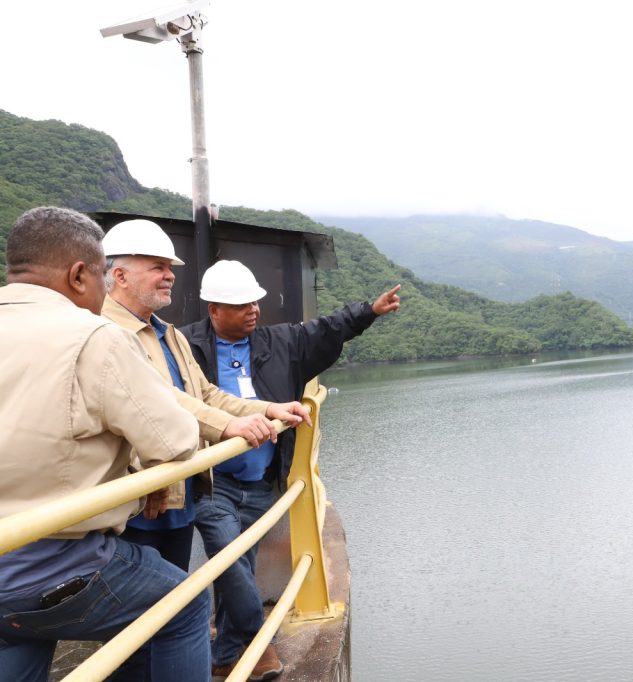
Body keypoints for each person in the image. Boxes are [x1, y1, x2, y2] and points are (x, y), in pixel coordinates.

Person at [0, 207, 211, 681]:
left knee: (18, 633)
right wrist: (143, 481)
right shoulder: (95, 335)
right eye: (99, 276)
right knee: (187, 604)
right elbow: (175, 441)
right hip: (55, 566)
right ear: (80, 275)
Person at [101, 220, 311, 681]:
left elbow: (205, 395)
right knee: (134, 625)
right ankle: (246, 646)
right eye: (157, 267)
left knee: (168, 613)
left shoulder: (168, 334)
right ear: (118, 275)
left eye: (170, 268)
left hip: (178, 493)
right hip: (133, 500)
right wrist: (232, 425)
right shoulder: (102, 333)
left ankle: (224, 654)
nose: (169, 275)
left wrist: (268, 407)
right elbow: (158, 400)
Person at [179, 259, 400, 680]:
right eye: (242, 304)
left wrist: (368, 311)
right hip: (212, 482)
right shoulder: (186, 349)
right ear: (214, 309)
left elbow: (327, 329)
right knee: (229, 559)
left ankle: (226, 655)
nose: (254, 311)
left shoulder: (279, 343)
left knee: (241, 565)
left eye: (255, 302)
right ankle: (260, 641)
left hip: (261, 480)